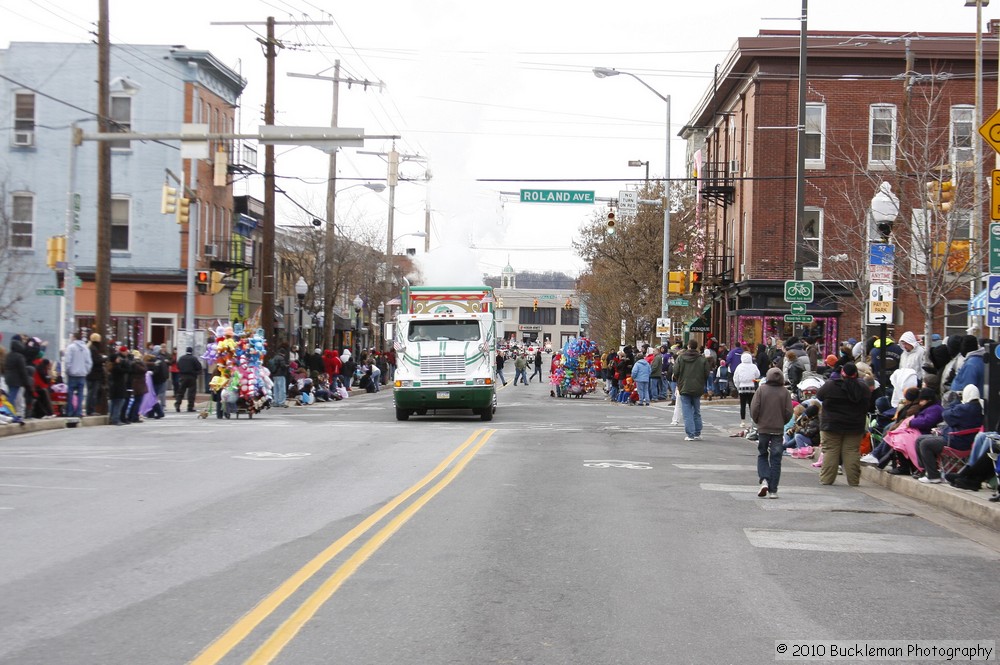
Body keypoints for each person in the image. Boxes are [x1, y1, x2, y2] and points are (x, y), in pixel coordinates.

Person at [816, 362, 872, 486]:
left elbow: (819, 396)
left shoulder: (831, 385)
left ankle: (827, 479)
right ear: (856, 374)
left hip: (831, 424)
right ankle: (853, 480)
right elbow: (868, 406)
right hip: (854, 425)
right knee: (852, 451)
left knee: (830, 451)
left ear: (842, 373)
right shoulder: (863, 388)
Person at [915, 385, 983, 483]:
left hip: (956, 441)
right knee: (920, 439)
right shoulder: (979, 407)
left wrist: (954, 402)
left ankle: (933, 476)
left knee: (924, 443)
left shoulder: (964, 408)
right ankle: (927, 471)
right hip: (966, 440)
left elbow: (946, 415)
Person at [750, 367, 794, 498]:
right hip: (778, 429)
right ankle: (773, 490)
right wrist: (782, 422)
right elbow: (789, 412)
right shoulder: (784, 392)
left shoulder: (761, 390)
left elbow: (754, 408)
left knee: (762, 454)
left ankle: (764, 479)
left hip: (763, 428)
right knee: (776, 458)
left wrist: (758, 421)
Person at [673, 339, 709, 441]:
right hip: (697, 386)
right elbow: (706, 373)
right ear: (696, 347)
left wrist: (679, 380)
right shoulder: (702, 359)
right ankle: (697, 432)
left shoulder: (680, 358)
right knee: (696, 410)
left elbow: (675, 372)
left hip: (684, 386)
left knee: (687, 411)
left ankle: (690, 434)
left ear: (688, 346)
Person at [62, 333, 92, 418]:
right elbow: (89, 362)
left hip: (72, 374)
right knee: (80, 394)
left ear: (74, 338)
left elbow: (68, 361)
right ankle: (78, 412)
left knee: (70, 394)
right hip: (82, 374)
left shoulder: (71, 347)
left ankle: (70, 412)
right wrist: (86, 371)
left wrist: (68, 370)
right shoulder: (86, 348)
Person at [2, 335, 32, 417]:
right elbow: (23, 371)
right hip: (16, 380)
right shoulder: (20, 357)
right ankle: (7, 412)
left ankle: (10, 412)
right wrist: (27, 383)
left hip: (8, 379)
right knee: (13, 397)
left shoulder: (8, 355)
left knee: (12, 395)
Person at [732, 351, 760, 428]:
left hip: (742, 387)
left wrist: (738, 386)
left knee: (743, 405)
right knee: (752, 405)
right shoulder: (753, 366)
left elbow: (735, 378)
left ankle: (743, 421)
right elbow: (758, 375)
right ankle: (752, 420)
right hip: (751, 387)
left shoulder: (739, 366)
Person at [174, 346, 202, 413]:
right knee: (191, 393)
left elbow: (178, 366)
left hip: (182, 377)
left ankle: (177, 405)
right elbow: (199, 367)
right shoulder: (194, 359)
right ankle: (190, 407)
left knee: (180, 392)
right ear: (192, 351)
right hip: (192, 377)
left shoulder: (181, 358)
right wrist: (196, 373)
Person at [85, 333, 106, 416]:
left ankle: (90, 409)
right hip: (94, 374)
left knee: (91, 393)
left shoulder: (90, 348)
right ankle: (90, 410)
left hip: (90, 373)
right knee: (92, 393)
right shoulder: (93, 349)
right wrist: (104, 359)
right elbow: (96, 360)